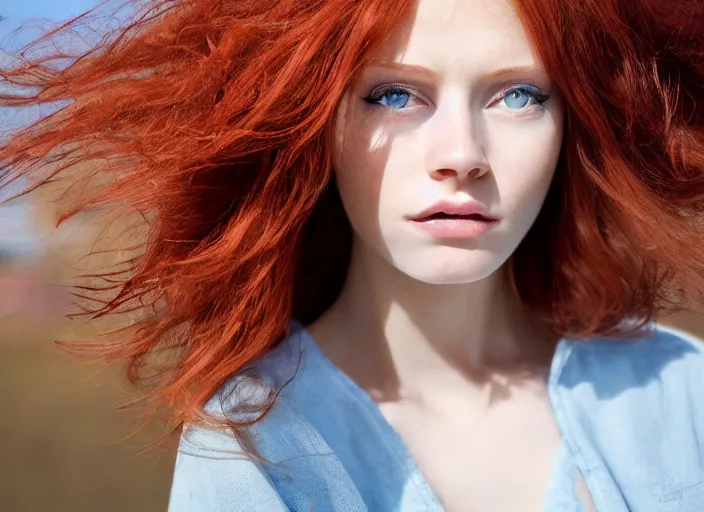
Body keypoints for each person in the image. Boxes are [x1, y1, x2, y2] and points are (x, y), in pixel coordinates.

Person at [1, 0, 703, 510]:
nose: (461, 154)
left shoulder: (680, 390)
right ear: (316, 125)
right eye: (394, 94)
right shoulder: (255, 437)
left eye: (518, 94)